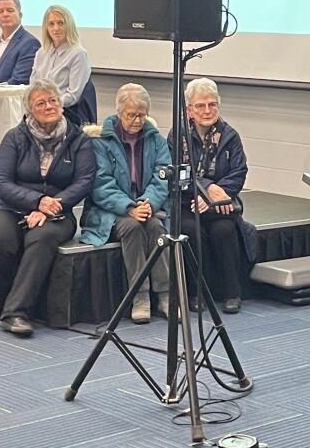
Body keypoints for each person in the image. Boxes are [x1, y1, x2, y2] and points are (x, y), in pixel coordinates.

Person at [0, 79, 96, 337]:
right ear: (30, 110)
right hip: (11, 206)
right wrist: (35, 202)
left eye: (53, 100)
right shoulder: (15, 137)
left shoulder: (78, 140)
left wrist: (50, 206)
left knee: (41, 239)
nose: (49, 106)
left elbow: (85, 181)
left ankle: (16, 312)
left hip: (58, 211)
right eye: (40, 103)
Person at [80, 83, 172, 324]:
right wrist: (129, 207)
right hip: (110, 212)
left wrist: (147, 203)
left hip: (146, 208)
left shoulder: (156, 140)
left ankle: (165, 294)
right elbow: (100, 185)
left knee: (155, 228)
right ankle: (139, 296)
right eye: (131, 115)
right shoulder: (99, 142)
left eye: (142, 115)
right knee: (131, 227)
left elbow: (161, 177)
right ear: (119, 113)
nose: (137, 120)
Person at [171, 77, 256, 314]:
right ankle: (198, 292)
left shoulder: (230, 136)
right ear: (189, 110)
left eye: (212, 104)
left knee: (224, 230)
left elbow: (239, 172)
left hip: (222, 204)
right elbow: (177, 175)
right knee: (191, 230)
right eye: (200, 105)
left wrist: (218, 195)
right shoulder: (177, 136)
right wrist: (207, 188)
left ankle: (232, 293)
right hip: (189, 203)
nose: (207, 110)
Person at [30, 5, 94, 125]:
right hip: (41, 113)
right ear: (46, 28)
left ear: (68, 25)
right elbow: (33, 86)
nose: (56, 28)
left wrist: (49, 106)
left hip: (66, 115)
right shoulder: (41, 53)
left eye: (61, 23)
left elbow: (73, 95)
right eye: (51, 24)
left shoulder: (78, 54)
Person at [0, 0, 41, 85]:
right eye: (0, 11)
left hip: (3, 96)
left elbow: (19, 80)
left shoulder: (29, 43)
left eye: (10, 10)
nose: (5, 14)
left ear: (20, 15)